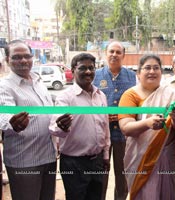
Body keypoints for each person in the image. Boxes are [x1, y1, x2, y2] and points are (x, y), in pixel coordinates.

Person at [118, 54, 175, 200]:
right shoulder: (130, 95)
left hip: (167, 157)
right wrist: (147, 124)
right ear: (138, 73)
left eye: (156, 68)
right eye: (147, 68)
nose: (152, 71)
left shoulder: (171, 94)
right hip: (140, 158)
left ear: (162, 72)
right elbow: (125, 127)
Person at [0, 40, 57, 200]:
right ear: (7, 60)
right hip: (24, 161)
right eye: (17, 57)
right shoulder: (4, 86)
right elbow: (5, 115)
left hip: (48, 156)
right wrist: (13, 123)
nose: (23, 60)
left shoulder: (38, 81)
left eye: (27, 56)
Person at [49, 53, 110, 200]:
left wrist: (106, 155)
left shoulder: (101, 96)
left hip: (97, 161)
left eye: (91, 68)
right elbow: (54, 127)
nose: (88, 72)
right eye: (83, 68)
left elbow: (105, 127)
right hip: (74, 164)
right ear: (73, 69)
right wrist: (62, 126)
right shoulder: (65, 97)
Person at [93, 41, 136, 200]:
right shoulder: (96, 76)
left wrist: (122, 116)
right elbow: (89, 104)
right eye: (111, 51)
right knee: (100, 173)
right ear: (106, 53)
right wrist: (103, 115)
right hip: (101, 135)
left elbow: (137, 103)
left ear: (123, 55)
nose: (114, 55)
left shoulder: (132, 77)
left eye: (118, 52)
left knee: (122, 174)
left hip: (124, 135)